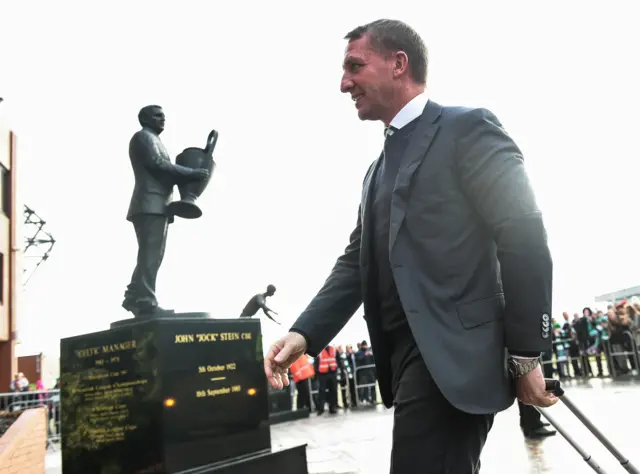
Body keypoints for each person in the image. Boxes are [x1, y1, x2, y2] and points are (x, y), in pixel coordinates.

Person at [264, 19, 557, 474]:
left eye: (354, 66)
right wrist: (304, 334)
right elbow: (354, 264)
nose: (344, 84)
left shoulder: (467, 128)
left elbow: (522, 233)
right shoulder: (375, 172)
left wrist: (525, 355)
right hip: (407, 363)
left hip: (453, 358)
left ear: (398, 63)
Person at [122, 105, 209, 316]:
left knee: (152, 256)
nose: (163, 119)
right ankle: (145, 301)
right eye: (157, 115)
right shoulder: (143, 137)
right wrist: (192, 173)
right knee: (150, 256)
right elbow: (158, 165)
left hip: (157, 205)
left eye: (164, 116)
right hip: (149, 204)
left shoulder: (153, 139)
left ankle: (135, 296)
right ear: (145, 119)